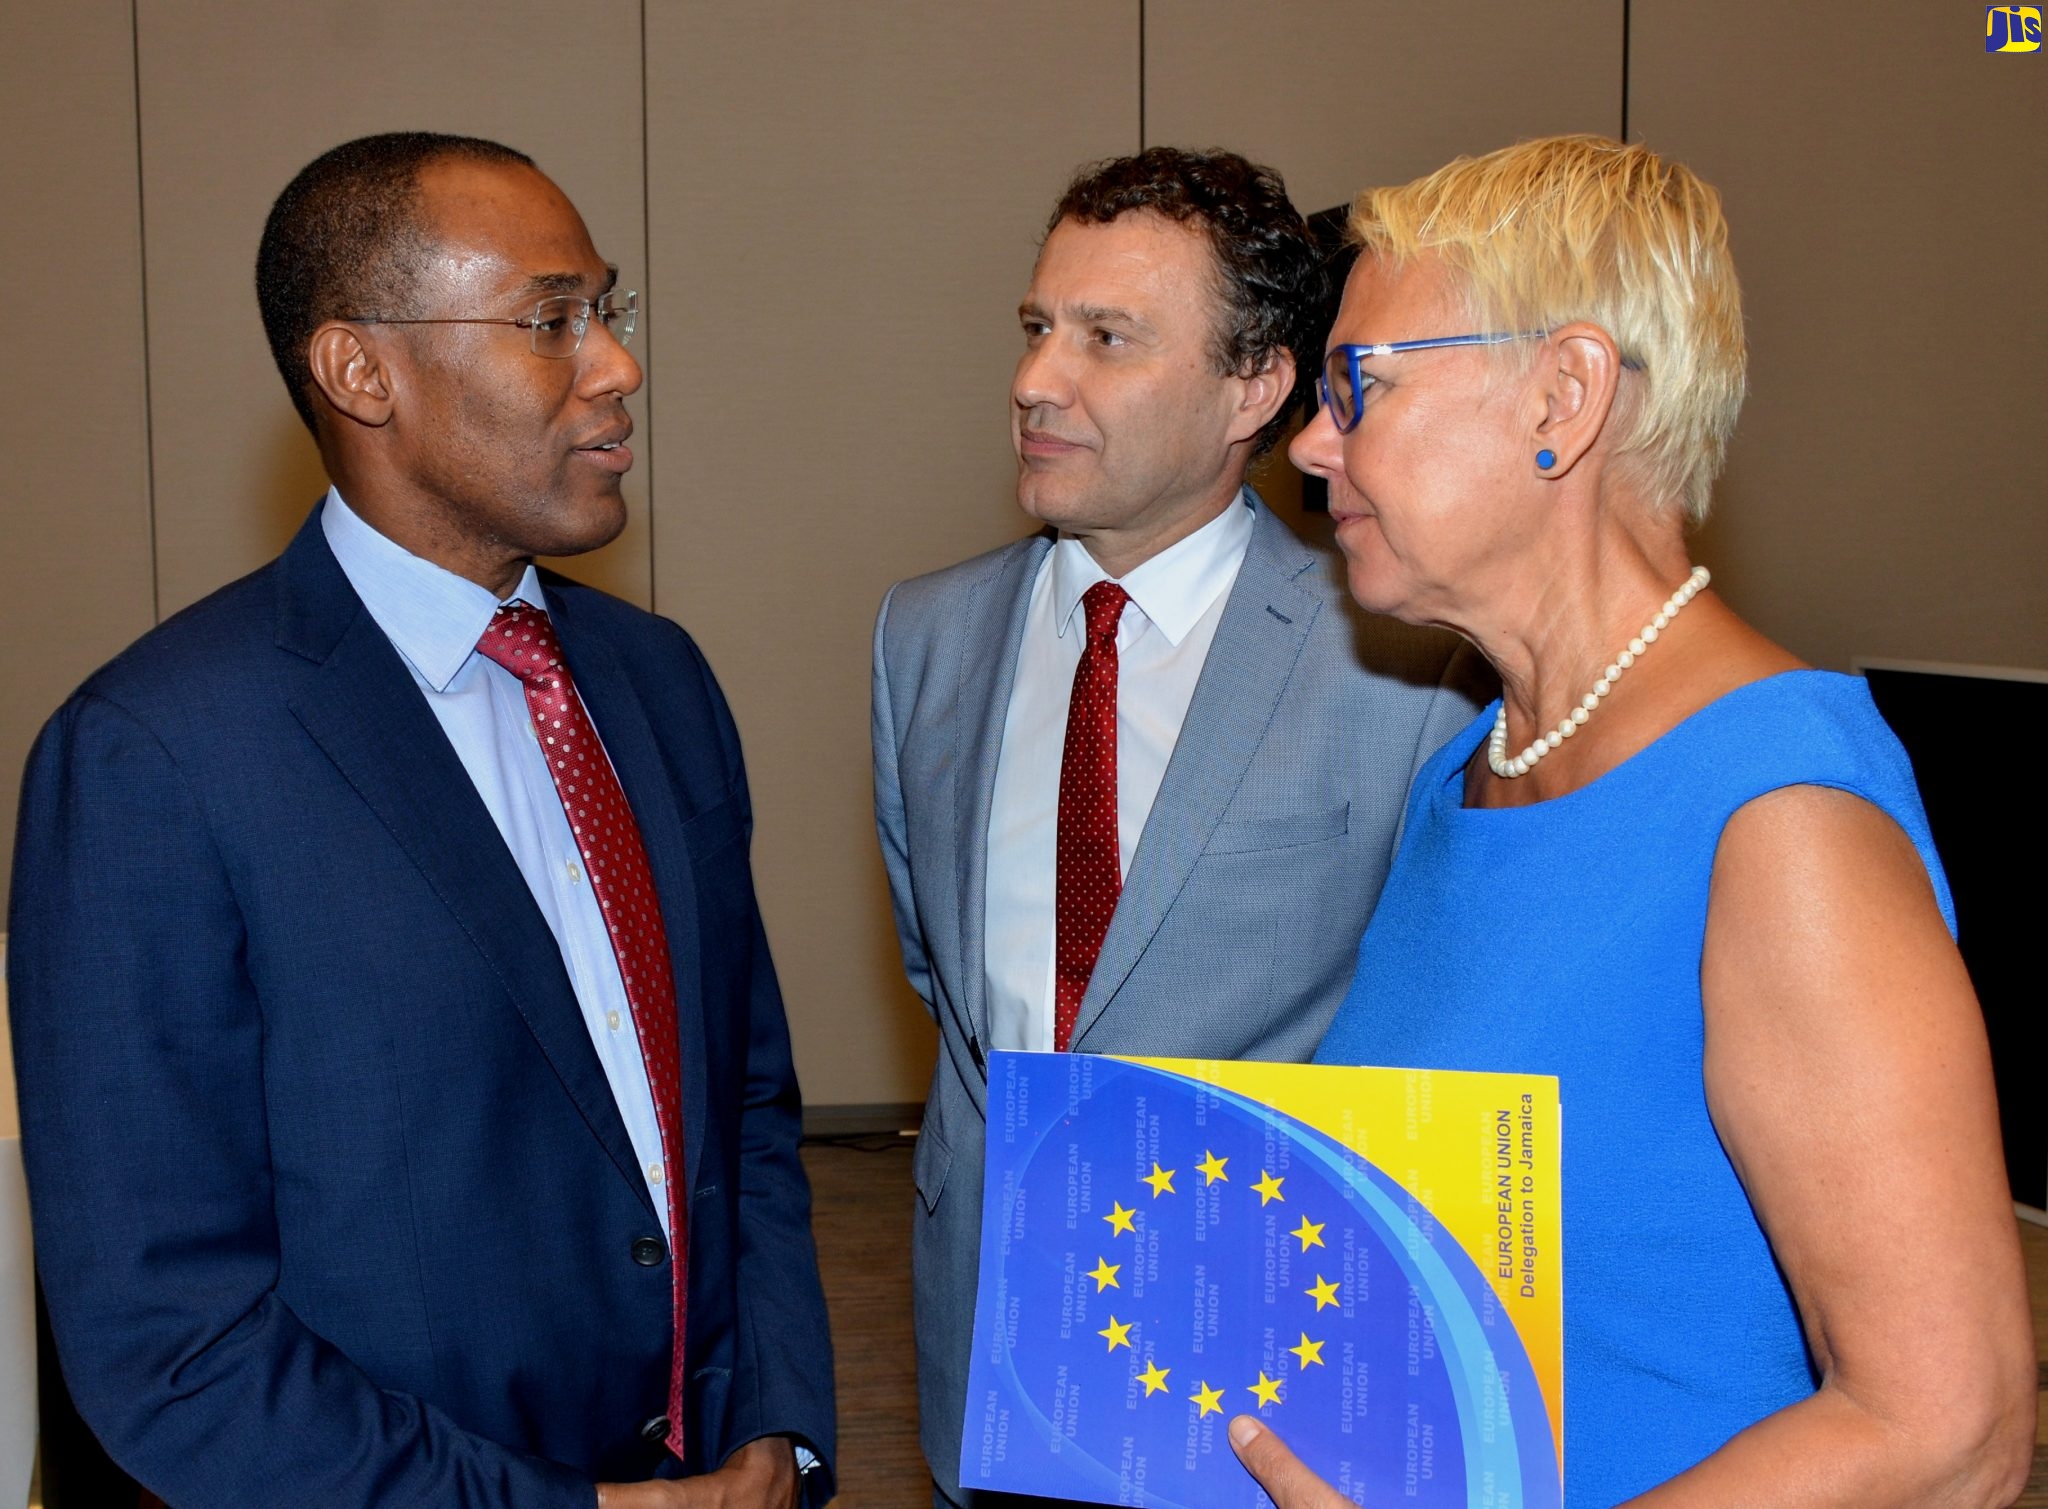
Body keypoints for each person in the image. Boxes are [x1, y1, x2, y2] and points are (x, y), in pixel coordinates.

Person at [7, 132, 834, 1508]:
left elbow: (741, 1110)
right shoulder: (154, 755)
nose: (617, 366)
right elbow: (171, 1338)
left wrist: (778, 1428)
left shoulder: (659, 681)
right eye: (550, 321)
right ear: (360, 371)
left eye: (608, 309)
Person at [1229, 135, 2035, 1507]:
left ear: (1565, 393)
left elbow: (1949, 1433)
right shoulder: (1474, 770)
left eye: (1361, 382)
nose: (1311, 439)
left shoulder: (1779, 810)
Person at [870, 146, 1489, 1505]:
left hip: (1269, 1361)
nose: (1037, 379)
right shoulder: (925, 636)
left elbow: (1438, 1020)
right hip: (993, 1339)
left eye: (1108, 338)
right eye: (1038, 327)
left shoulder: (1402, 671)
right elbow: (946, 975)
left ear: (1254, 388)